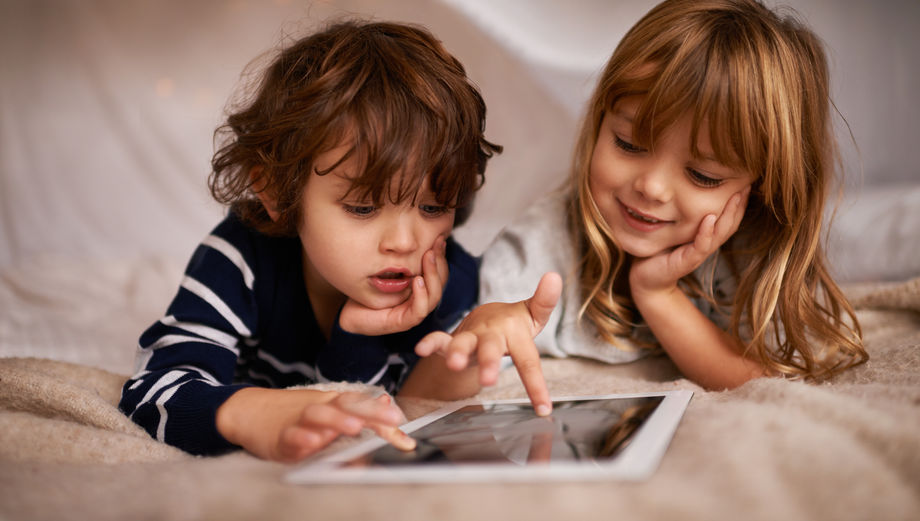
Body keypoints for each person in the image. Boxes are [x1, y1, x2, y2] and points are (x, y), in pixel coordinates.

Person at [415, 0, 869, 410]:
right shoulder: (539, 251)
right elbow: (421, 393)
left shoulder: (755, 251)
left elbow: (763, 385)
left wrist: (657, 291)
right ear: (599, 121)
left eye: (702, 175)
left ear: (765, 183)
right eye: (629, 144)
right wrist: (476, 339)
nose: (651, 187)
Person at [119, 20, 515, 461]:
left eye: (433, 207)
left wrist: (357, 334)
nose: (405, 241)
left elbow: (390, 420)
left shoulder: (451, 281)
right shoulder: (241, 258)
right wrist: (253, 411)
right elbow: (152, 391)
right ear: (275, 192)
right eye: (363, 208)